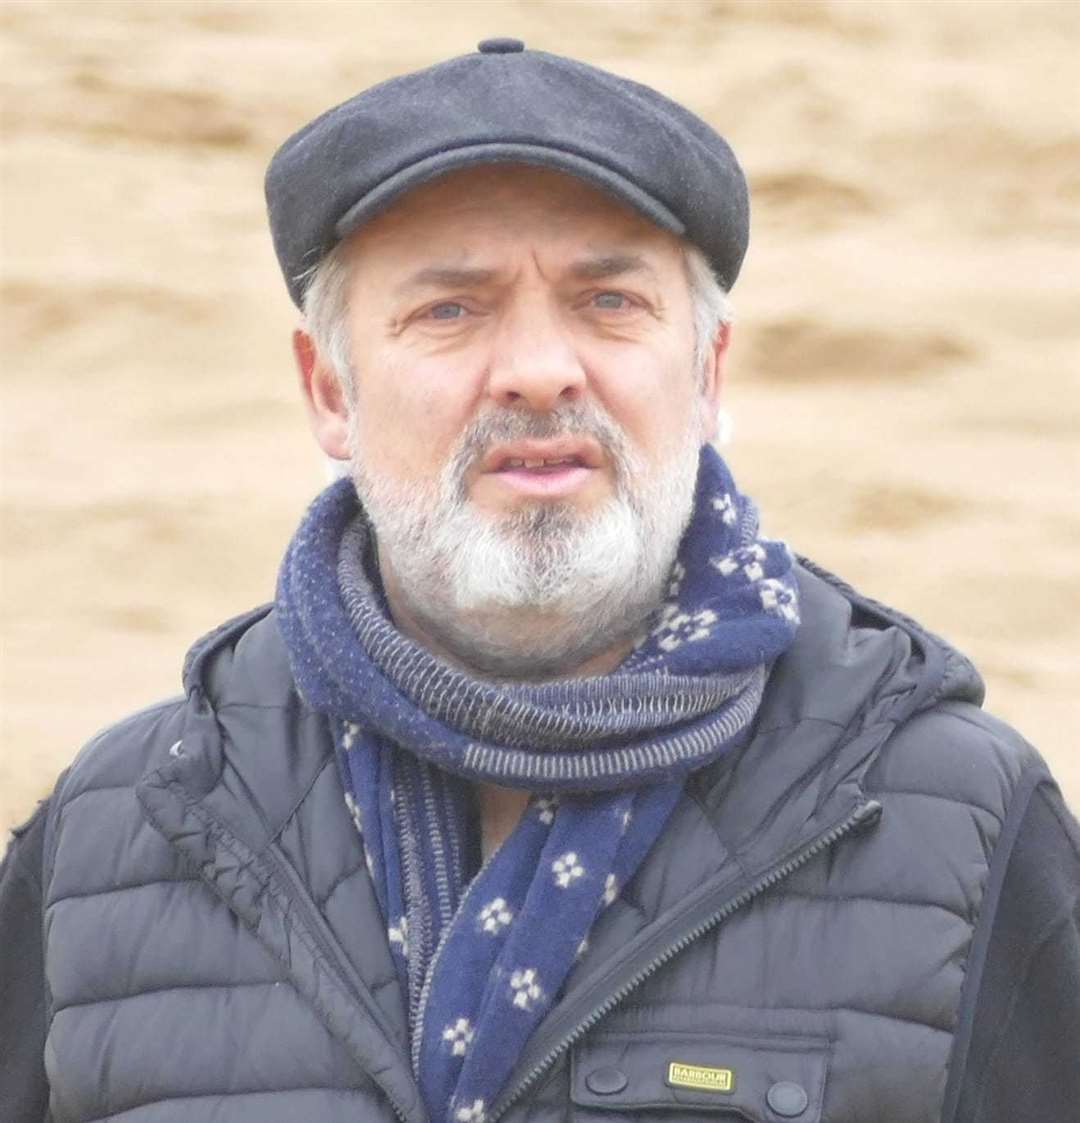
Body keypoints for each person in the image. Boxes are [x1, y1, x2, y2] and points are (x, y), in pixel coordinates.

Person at [1, 38, 1077, 1123]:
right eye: (450, 309)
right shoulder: (120, 831)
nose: (537, 368)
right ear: (330, 388)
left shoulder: (957, 822)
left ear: (705, 374)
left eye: (607, 300)